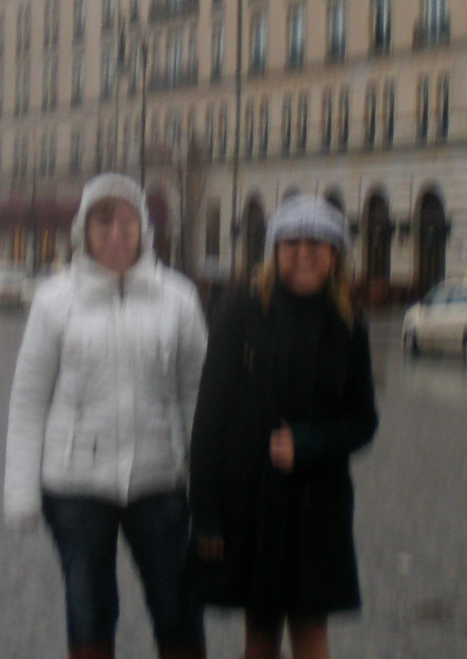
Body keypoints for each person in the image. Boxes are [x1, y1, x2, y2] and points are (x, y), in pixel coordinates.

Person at [4, 173, 210, 659]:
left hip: (161, 478)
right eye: (103, 222)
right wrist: (21, 492)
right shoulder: (54, 300)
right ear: (84, 230)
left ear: (143, 229)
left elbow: (197, 396)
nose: (116, 233)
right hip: (75, 484)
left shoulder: (177, 297)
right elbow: (29, 400)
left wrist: (206, 487)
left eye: (126, 222)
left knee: (178, 607)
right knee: (89, 609)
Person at [188, 196, 378, 659]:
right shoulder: (241, 311)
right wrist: (206, 513)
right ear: (274, 251)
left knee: (311, 631)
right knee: (260, 632)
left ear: (335, 254)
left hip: (318, 506)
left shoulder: (348, 324)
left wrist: (315, 442)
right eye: (291, 242)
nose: (303, 253)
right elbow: (210, 417)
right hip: (250, 501)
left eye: (317, 242)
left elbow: (363, 420)